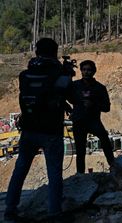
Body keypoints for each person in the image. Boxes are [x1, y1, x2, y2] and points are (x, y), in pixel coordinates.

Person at [4, 38, 73, 222]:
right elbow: (69, 93)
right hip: (51, 130)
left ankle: (10, 209)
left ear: (36, 52)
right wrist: (67, 75)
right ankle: (54, 213)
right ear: (55, 52)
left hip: (28, 129)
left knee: (20, 169)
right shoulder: (58, 73)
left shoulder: (25, 75)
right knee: (54, 173)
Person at [69, 60, 115, 174]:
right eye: (84, 70)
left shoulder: (100, 88)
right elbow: (66, 97)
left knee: (105, 141)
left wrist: (94, 105)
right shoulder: (74, 86)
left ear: (94, 71)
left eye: (89, 70)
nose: (86, 72)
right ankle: (80, 175)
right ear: (81, 71)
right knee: (80, 151)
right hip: (79, 121)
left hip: (93, 121)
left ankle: (113, 166)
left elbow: (106, 107)